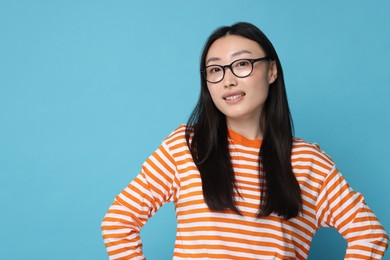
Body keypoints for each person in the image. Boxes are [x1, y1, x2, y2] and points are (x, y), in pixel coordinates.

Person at [101, 22, 388, 259]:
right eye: (215, 70)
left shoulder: (309, 162)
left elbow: (370, 236)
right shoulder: (186, 146)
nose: (228, 81)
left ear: (272, 71)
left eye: (242, 64)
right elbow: (118, 222)